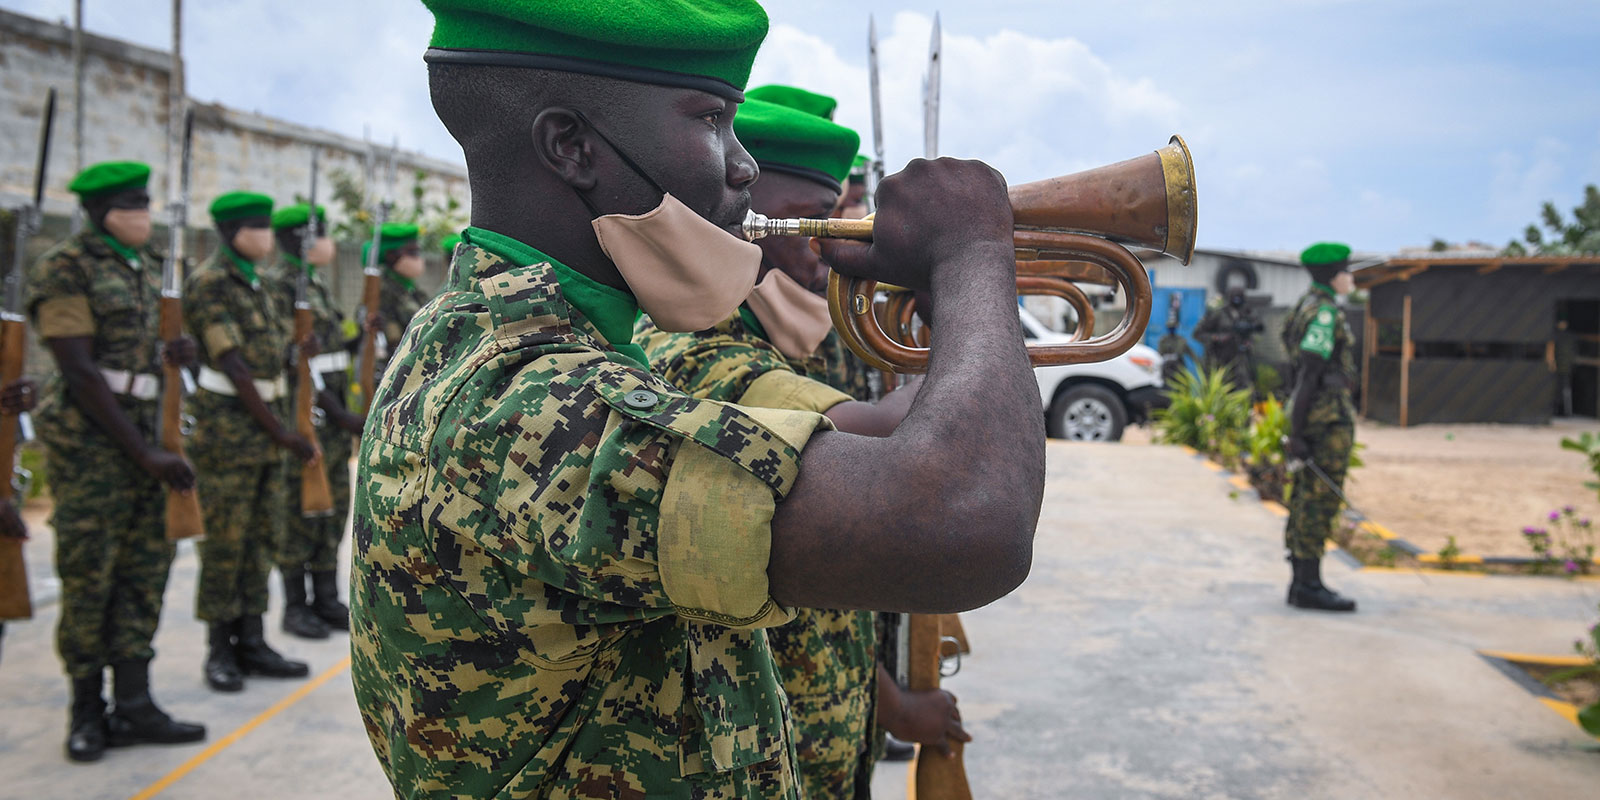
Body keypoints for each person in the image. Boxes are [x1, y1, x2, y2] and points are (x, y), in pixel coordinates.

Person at [350, 3, 1043, 797]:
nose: (741, 166)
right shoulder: (519, 396)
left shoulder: (524, 344)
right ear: (572, 147)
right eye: (711, 120)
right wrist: (973, 253)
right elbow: (964, 526)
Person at [638, 94, 966, 797]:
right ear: (748, 221)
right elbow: (900, 446)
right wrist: (971, 286)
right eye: (816, 222)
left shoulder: (801, 330)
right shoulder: (691, 346)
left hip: (828, 720)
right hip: (766, 733)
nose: (836, 248)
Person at [27, 161, 206, 761]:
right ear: (100, 210)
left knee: (144, 570)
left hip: (154, 435)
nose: (142, 215)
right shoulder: (64, 268)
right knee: (90, 576)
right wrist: (144, 452)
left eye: (144, 204)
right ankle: (86, 711)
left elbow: (164, 355)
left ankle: (134, 702)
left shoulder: (155, 267)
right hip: (91, 447)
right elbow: (78, 369)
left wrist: (184, 352)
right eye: (130, 206)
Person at [185, 192, 318, 691]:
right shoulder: (210, 283)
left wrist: (297, 351)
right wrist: (281, 430)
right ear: (230, 231)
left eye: (267, 226)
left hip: (266, 431)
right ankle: (220, 650)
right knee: (225, 543)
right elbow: (235, 366)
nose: (265, 236)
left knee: (262, 538)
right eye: (255, 227)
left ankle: (253, 640)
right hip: (229, 434)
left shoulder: (258, 282)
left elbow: (268, 354)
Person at [265, 203, 362, 639]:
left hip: (331, 415)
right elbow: (294, 360)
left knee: (332, 506)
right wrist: (337, 411)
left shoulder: (316, 284)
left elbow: (329, 352)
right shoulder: (282, 286)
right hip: (307, 413)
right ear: (297, 239)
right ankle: (295, 604)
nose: (327, 241)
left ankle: (325, 596)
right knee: (299, 509)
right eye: (319, 232)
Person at [1281, 242, 1359, 612]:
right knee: (1318, 500)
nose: (1351, 278)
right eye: (1347, 271)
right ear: (1334, 275)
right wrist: (1296, 433)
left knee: (1304, 497)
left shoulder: (1303, 307)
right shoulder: (1324, 314)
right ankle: (1309, 585)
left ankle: (1302, 582)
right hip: (1324, 418)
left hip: (1310, 414)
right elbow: (1309, 374)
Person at [367, 223, 431, 357]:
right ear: (391, 255)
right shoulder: (381, 289)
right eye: (411, 252)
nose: (417, 258)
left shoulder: (412, 289)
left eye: (418, 252)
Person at [1194, 285, 1263, 397]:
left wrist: (1249, 341)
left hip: (1241, 362)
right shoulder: (1218, 314)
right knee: (1220, 394)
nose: (1237, 300)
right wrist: (1217, 338)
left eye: (1239, 297)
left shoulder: (1246, 313)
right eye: (1235, 297)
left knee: (1245, 393)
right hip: (1220, 362)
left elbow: (1257, 329)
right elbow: (1198, 333)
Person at [1156, 295, 1197, 385]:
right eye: (1170, 328)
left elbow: (1191, 354)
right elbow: (1159, 354)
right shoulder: (1163, 340)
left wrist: (1199, 364)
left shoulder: (1181, 341)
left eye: (1173, 327)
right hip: (1167, 368)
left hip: (1178, 367)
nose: (1172, 329)